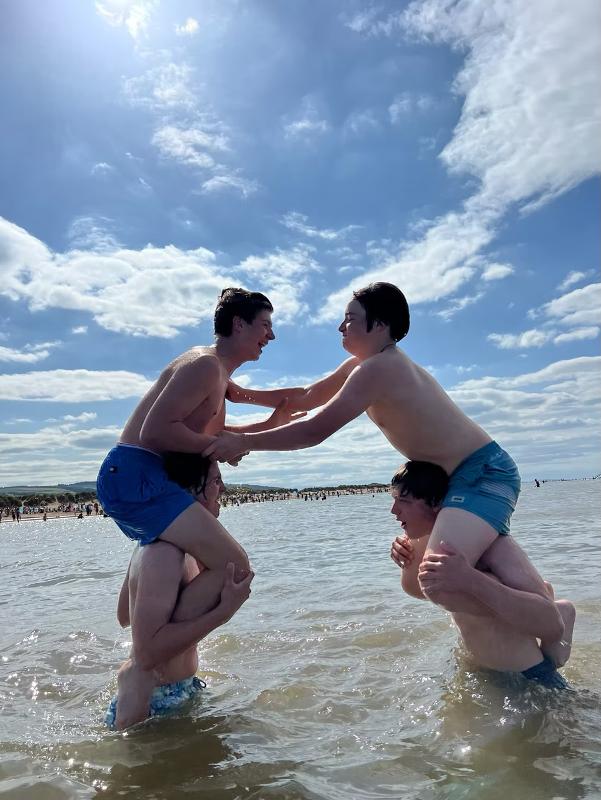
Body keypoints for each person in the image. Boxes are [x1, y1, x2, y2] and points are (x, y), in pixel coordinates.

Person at [205, 282, 566, 654]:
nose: (340, 327)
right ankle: (540, 602)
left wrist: (243, 441)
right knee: (423, 576)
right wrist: (238, 395)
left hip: (483, 473)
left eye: (350, 319)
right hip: (452, 479)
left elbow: (315, 429)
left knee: (438, 581)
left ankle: (549, 619)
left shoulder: (380, 368)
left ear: (379, 325)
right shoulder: (365, 364)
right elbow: (306, 397)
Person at [97, 288, 303, 723]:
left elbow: (208, 435)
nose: (271, 335)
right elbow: (156, 432)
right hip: (137, 473)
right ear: (238, 324)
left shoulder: (214, 372)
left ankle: (155, 653)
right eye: (265, 325)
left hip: (142, 476)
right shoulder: (205, 365)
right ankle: (149, 657)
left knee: (218, 565)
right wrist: (218, 449)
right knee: (235, 566)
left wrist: (265, 426)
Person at [388, 461, 575, 688]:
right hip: (476, 669)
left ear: (436, 503)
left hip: (527, 679)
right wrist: (406, 559)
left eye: (404, 501)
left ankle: (564, 613)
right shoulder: (431, 541)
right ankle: (564, 611)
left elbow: (549, 621)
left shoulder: (495, 543)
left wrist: (470, 578)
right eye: (394, 499)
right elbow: (419, 591)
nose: (394, 510)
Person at [106, 455, 254, 729]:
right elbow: (147, 653)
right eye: (215, 481)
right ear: (188, 492)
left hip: (174, 690)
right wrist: (222, 613)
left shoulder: (158, 544)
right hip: (150, 704)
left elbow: (125, 616)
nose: (223, 488)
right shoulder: (164, 553)